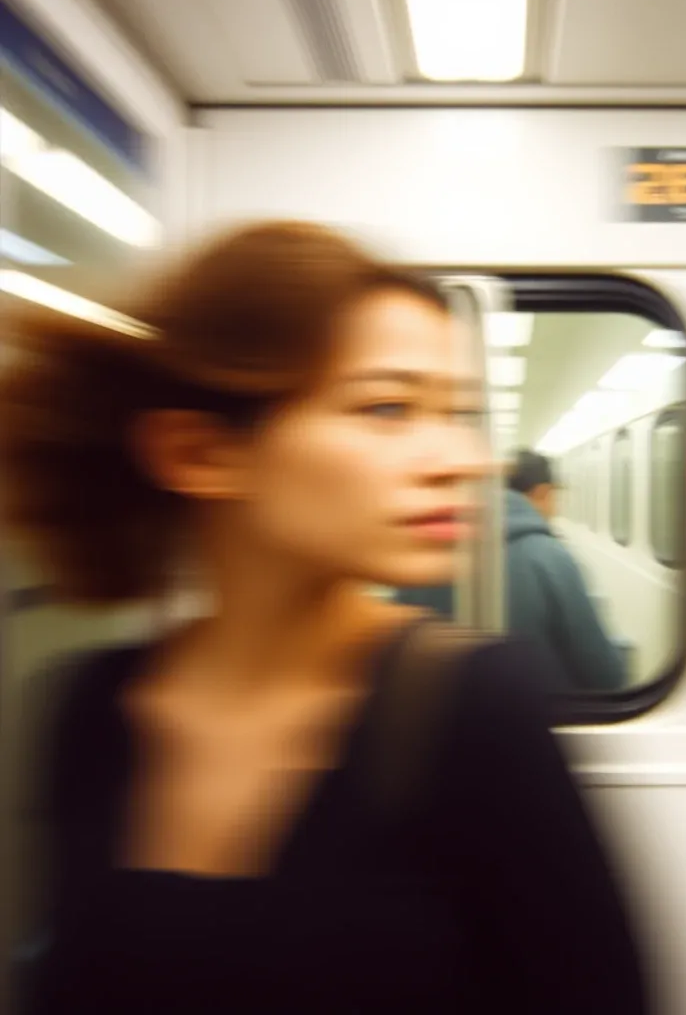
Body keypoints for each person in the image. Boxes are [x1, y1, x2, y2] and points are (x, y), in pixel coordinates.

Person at [0, 221, 648, 1014]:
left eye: (457, 411)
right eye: (386, 407)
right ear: (200, 454)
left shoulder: (473, 711)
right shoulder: (87, 710)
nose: (466, 458)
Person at [504, 450, 627, 691]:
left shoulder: (444, 551)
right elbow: (604, 673)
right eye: (555, 498)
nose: (555, 510)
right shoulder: (549, 557)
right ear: (542, 493)